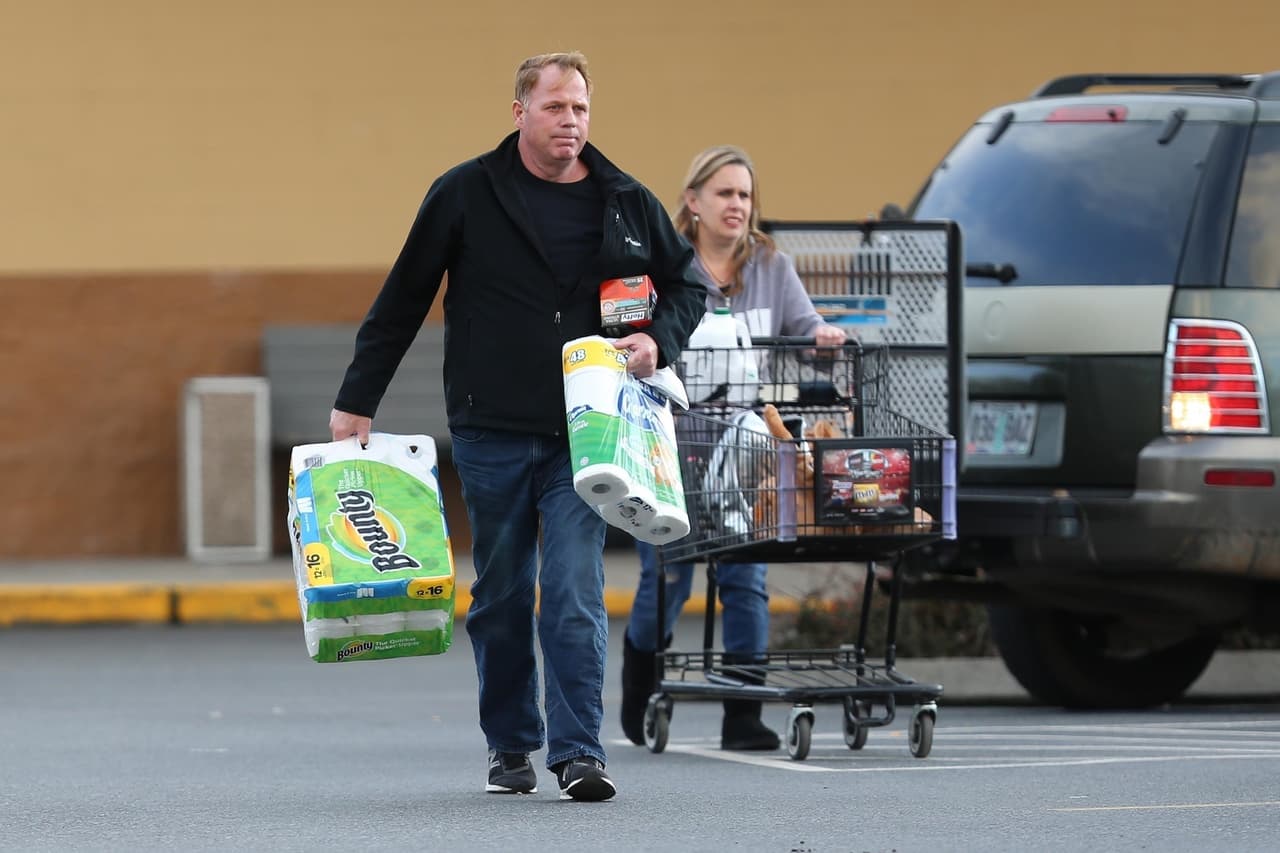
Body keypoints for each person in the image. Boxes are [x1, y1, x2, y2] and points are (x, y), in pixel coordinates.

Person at [329, 52, 705, 801]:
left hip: (589, 433)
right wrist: (356, 399)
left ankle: (577, 751)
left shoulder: (625, 198)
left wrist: (657, 337)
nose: (572, 122)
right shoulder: (466, 193)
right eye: (557, 107)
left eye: (582, 109)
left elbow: (690, 281)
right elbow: (403, 297)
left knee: (573, 588)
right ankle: (510, 741)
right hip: (491, 426)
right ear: (520, 112)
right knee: (503, 594)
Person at [620, 145, 847, 751]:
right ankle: (640, 682)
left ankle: (743, 712)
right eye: (724, 193)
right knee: (666, 581)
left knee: (745, 576)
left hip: (743, 447)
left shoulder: (770, 265)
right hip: (667, 444)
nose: (737, 206)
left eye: (745, 195)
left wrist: (821, 336)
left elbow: (805, 333)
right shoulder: (662, 267)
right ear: (693, 202)